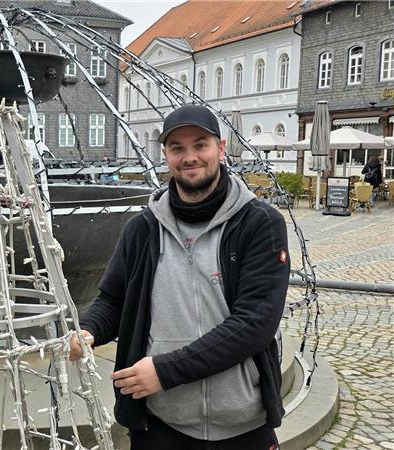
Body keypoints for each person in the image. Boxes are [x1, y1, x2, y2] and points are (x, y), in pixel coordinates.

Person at [70, 104, 290, 449]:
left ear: (220, 147)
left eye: (200, 144)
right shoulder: (142, 229)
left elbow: (255, 323)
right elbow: (113, 299)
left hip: (242, 423)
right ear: (166, 155)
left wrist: (165, 371)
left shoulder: (260, 224)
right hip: (161, 423)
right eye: (177, 148)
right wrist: (89, 330)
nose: (190, 157)